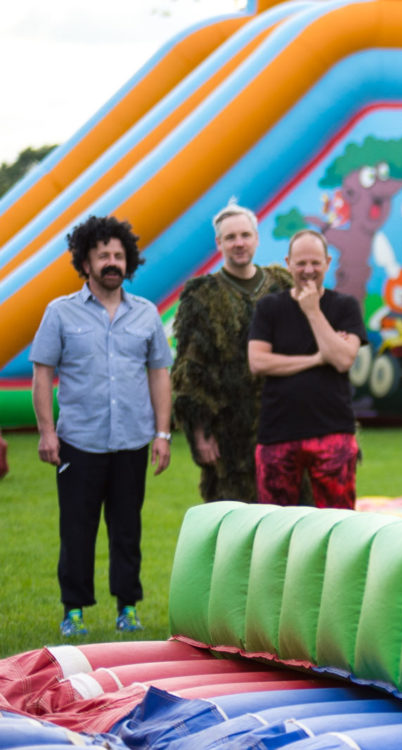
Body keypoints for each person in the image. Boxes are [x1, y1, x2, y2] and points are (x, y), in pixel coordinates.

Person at [29, 215, 172, 637]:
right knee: (77, 531)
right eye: (102, 254)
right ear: (85, 261)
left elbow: (159, 374)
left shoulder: (146, 314)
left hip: (131, 441)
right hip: (78, 442)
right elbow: (42, 375)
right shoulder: (60, 312)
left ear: (128, 262)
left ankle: (127, 608)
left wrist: (162, 434)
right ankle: (73, 611)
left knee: (127, 531)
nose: (112, 262)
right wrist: (46, 431)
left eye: (118, 255)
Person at [171, 203, 295, 501]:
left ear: (256, 238)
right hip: (229, 434)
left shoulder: (282, 285)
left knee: (290, 519)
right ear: (219, 243)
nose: (238, 243)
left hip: (287, 423)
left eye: (244, 235)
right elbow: (190, 369)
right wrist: (199, 433)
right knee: (236, 524)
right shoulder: (202, 294)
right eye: (230, 238)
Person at [247, 230, 365, 507]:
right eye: (301, 263)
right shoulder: (269, 308)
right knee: (275, 524)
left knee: (339, 523)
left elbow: (342, 360)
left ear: (327, 262)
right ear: (288, 263)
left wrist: (313, 311)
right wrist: (315, 359)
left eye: (315, 263)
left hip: (333, 431)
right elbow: (258, 362)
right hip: (278, 433)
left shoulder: (345, 306)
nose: (308, 270)